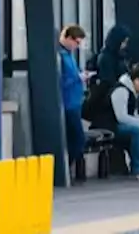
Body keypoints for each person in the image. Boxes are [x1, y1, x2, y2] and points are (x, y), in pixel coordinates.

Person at [57, 25, 90, 182]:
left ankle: (67, 168)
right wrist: (79, 78)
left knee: (75, 138)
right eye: (77, 42)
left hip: (74, 102)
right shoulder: (61, 56)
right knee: (77, 138)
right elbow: (61, 81)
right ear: (68, 38)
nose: (77, 46)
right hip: (68, 102)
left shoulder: (68, 55)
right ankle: (65, 168)